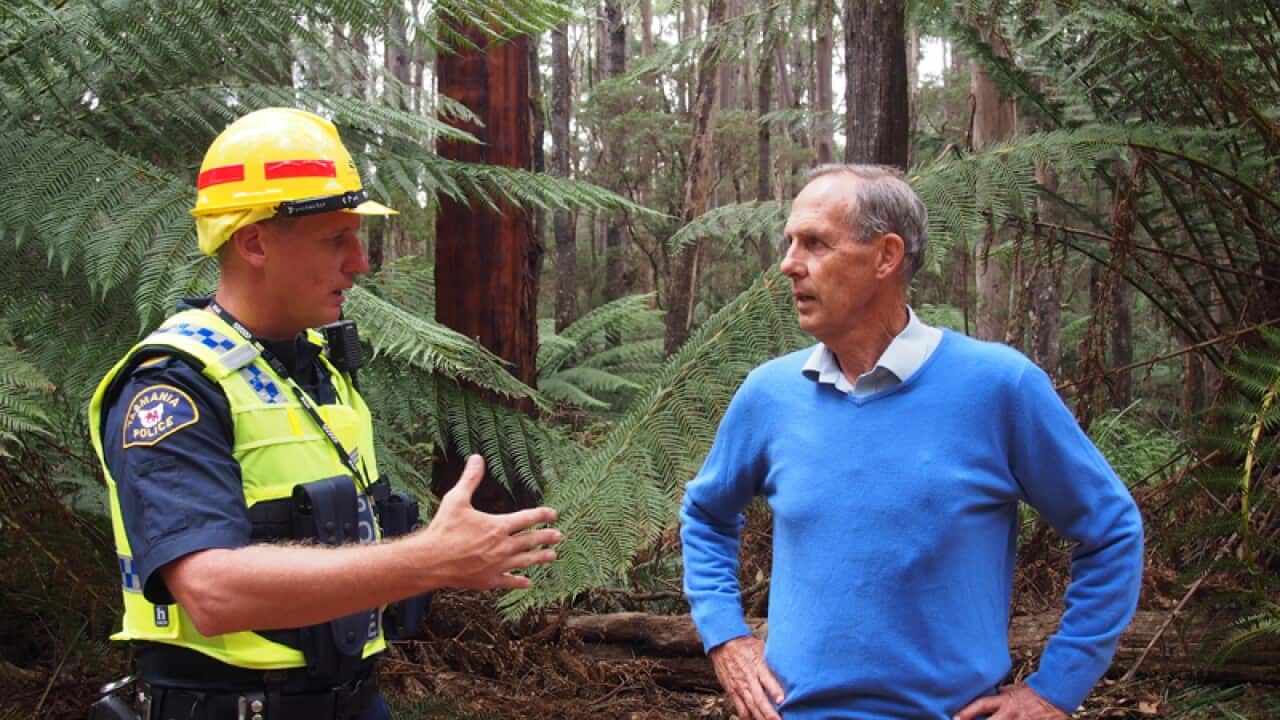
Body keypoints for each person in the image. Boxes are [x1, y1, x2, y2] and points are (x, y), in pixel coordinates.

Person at [87, 108, 562, 720]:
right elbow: (210, 590)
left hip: (355, 700)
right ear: (254, 240)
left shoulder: (318, 364)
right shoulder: (173, 388)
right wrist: (427, 560)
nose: (360, 262)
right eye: (335, 239)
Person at [680, 164, 1144, 720]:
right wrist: (726, 636)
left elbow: (1112, 530)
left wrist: (1054, 690)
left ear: (886, 256)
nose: (788, 264)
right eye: (789, 242)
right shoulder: (769, 395)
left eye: (815, 244)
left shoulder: (999, 387)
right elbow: (705, 514)